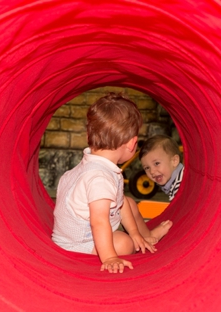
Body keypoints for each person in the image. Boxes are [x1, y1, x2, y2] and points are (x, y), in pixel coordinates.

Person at [52, 93, 173, 274]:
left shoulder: (98, 165)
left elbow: (120, 202)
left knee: (128, 203)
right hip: (79, 243)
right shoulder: (99, 178)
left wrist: (135, 233)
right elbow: (99, 222)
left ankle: (146, 236)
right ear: (132, 144)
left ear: (88, 135)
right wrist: (109, 257)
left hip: (90, 225)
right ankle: (134, 242)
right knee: (123, 243)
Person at [139, 134, 184, 201]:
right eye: (147, 168)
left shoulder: (180, 186)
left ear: (174, 161)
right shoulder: (177, 180)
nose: (152, 171)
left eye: (156, 163)